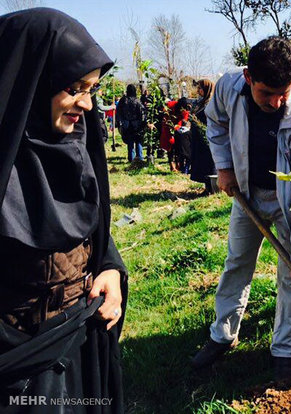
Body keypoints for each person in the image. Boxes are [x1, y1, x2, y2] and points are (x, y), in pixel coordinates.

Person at [0, 7, 127, 413]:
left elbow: (93, 228)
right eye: (74, 87)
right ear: (32, 84)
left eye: (91, 88)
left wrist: (109, 266)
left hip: (80, 348)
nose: (87, 104)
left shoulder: (78, 143)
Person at [191, 37, 291, 380]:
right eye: (268, 92)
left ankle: (285, 350)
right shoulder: (229, 87)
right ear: (249, 77)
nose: (277, 101)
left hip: (290, 204)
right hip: (248, 194)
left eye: (284, 91)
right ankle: (223, 334)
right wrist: (224, 167)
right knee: (237, 261)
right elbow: (216, 122)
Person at [189, 79, 217, 194]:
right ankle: (207, 187)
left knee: (209, 163)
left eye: (200, 88)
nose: (198, 90)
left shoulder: (211, 103)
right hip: (198, 138)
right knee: (202, 163)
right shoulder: (200, 102)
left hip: (207, 137)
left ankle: (212, 188)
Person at [117, 84, 146, 163]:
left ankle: (131, 158)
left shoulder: (123, 100)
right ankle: (140, 157)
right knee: (138, 140)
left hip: (127, 123)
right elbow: (142, 112)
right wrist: (143, 122)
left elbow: (119, 111)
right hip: (136, 123)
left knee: (130, 141)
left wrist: (120, 122)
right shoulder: (137, 100)